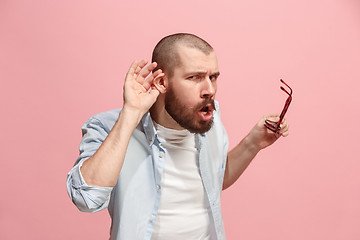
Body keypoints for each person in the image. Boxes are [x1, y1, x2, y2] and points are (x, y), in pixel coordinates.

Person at [67, 33, 289, 240]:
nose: (209, 89)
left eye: (213, 77)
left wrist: (252, 143)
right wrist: (130, 115)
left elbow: (213, 180)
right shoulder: (107, 127)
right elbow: (87, 199)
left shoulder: (210, 117)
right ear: (162, 82)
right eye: (194, 77)